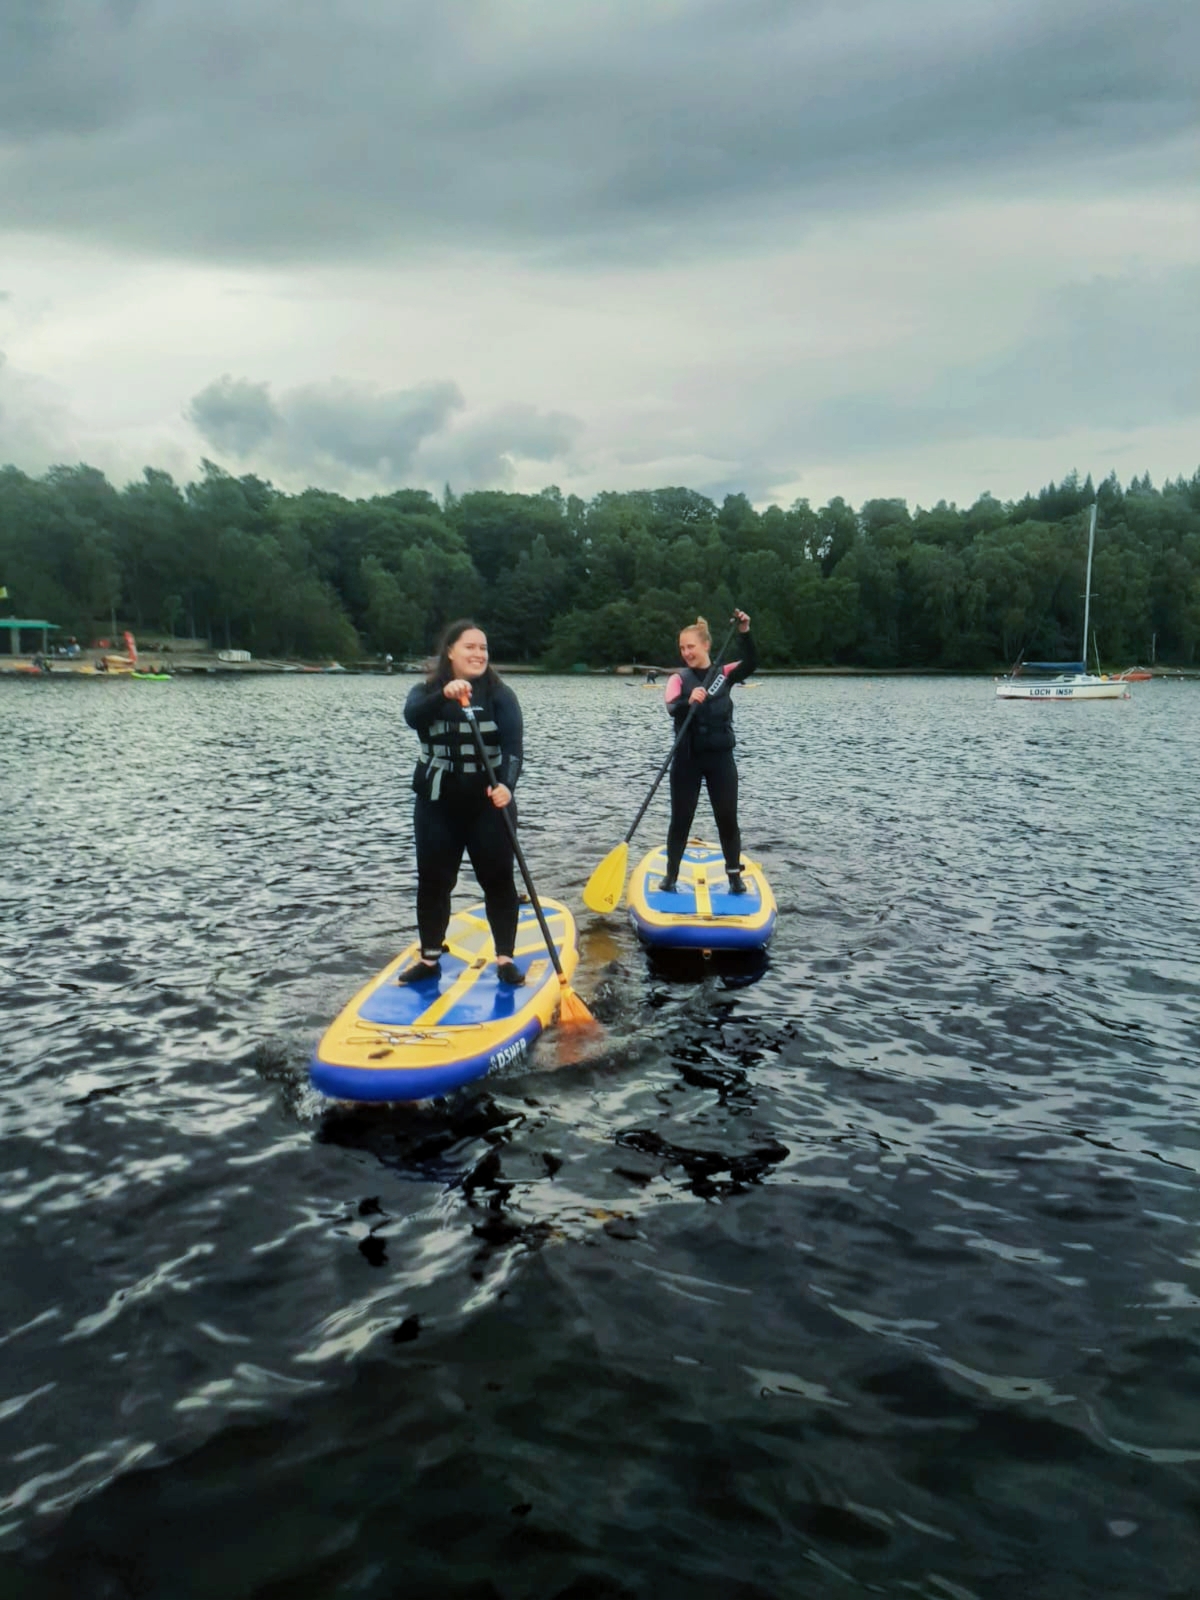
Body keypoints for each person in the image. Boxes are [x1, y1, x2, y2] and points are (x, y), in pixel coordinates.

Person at [399, 619, 525, 987]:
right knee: (434, 882)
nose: (479, 653)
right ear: (450, 652)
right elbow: (412, 717)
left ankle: (505, 958)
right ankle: (430, 957)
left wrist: (507, 785)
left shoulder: (500, 695)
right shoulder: (424, 692)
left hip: (488, 804)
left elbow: (514, 749)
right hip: (437, 804)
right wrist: (445, 695)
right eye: (470, 647)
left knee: (498, 880)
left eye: (483, 648)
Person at [661, 609, 757, 894]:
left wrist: (745, 631)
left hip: (720, 759)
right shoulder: (679, 679)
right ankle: (671, 877)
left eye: (690, 646)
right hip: (687, 759)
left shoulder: (724, 674)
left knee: (727, 818)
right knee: (681, 818)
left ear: (705, 645)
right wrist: (688, 700)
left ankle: (734, 877)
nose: (686, 652)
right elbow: (671, 707)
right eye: (681, 648)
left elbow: (752, 662)